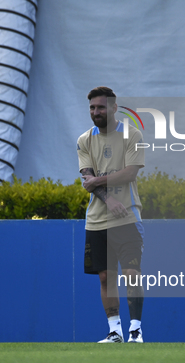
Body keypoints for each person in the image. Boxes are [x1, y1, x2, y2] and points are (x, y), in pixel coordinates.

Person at [77, 86, 145, 343]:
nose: (96, 112)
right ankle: (114, 330)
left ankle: (136, 330)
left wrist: (98, 181)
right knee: (105, 277)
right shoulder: (84, 139)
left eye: (101, 107)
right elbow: (87, 179)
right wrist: (109, 198)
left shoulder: (132, 134)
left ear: (114, 108)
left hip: (127, 216)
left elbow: (130, 173)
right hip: (97, 220)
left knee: (131, 273)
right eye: (92, 107)